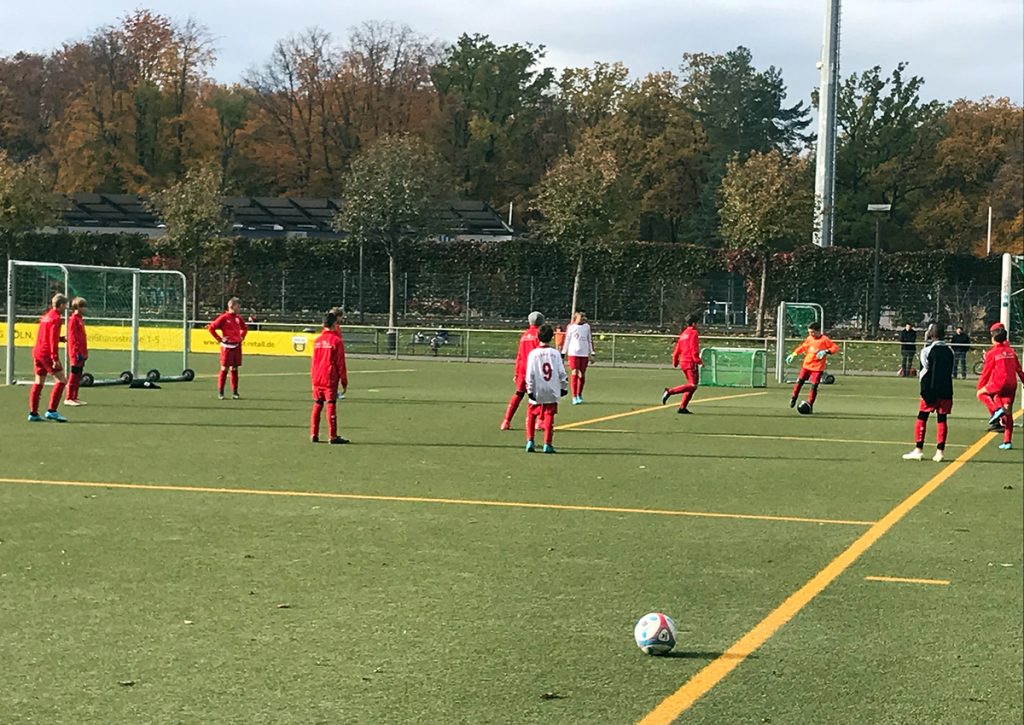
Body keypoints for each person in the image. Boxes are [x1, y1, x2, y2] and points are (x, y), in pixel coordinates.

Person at [902, 323, 955, 462]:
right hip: (946, 389)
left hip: (930, 390)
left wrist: (924, 390)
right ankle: (940, 452)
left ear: (931, 334)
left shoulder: (926, 350)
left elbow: (925, 371)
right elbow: (950, 370)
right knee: (942, 418)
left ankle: (918, 449)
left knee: (922, 417)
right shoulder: (950, 351)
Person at [977, 324, 1024, 450]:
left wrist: (980, 386)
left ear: (993, 338)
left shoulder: (992, 353)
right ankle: (1007, 441)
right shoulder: (1011, 352)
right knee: (1008, 413)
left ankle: (996, 410)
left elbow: (986, 372)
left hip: (999, 383)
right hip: (1012, 385)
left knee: (981, 394)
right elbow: (1019, 369)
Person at [524, 324, 568, 453]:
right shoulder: (555, 354)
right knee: (549, 415)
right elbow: (561, 373)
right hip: (552, 389)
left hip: (537, 388)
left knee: (531, 414)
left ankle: (530, 441)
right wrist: (564, 387)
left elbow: (530, 374)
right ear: (552, 337)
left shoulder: (533, 354)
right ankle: (547, 444)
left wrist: (530, 389)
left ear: (538, 337)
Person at [28, 293, 69, 422]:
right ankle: (52, 411)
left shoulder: (46, 316)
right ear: (61, 305)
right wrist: (54, 358)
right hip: (47, 353)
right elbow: (51, 340)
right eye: (65, 306)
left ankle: (33, 413)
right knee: (61, 380)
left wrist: (61, 339)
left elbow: (46, 335)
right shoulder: (56, 318)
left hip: (38, 352)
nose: (66, 308)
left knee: (38, 382)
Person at [500, 311, 544, 430]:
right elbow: (540, 353)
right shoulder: (539, 335)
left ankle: (506, 421)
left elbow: (519, 355)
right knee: (540, 395)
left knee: (518, 394)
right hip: (535, 369)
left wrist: (517, 372)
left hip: (523, 369)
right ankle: (539, 421)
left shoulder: (524, 336)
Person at [310, 310, 349, 444]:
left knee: (317, 404)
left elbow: (314, 360)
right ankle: (332, 435)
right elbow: (340, 363)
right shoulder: (336, 341)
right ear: (334, 324)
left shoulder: (317, 341)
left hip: (316, 376)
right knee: (331, 404)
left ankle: (314, 433)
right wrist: (344, 381)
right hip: (329, 377)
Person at [787, 321, 839, 413]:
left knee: (814, 386)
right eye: (809, 332)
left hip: (817, 368)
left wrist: (826, 351)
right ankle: (793, 398)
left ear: (818, 331)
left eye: (812, 332)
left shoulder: (824, 340)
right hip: (807, 365)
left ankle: (810, 404)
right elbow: (803, 347)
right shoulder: (810, 338)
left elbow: (835, 347)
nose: (811, 334)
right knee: (799, 382)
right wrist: (794, 353)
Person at [661, 314, 703, 414]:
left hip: (683, 361)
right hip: (690, 362)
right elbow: (694, 348)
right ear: (694, 323)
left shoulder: (684, 334)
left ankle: (682, 407)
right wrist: (698, 361)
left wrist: (675, 360)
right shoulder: (693, 333)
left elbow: (678, 348)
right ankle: (670, 391)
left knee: (692, 385)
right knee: (693, 385)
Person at [208, 297, 248, 400]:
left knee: (234, 368)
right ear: (231, 306)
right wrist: (220, 339)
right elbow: (211, 328)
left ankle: (235, 392)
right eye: (237, 306)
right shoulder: (224, 317)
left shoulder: (238, 318)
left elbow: (244, 328)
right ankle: (221, 392)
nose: (239, 308)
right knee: (224, 368)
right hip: (227, 347)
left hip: (237, 346)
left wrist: (241, 337)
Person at [562, 311, 595, 404]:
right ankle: (574, 396)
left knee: (581, 374)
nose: (583, 319)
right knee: (574, 372)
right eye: (581, 317)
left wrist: (592, 353)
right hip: (573, 353)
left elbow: (589, 340)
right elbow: (567, 339)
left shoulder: (586, 327)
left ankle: (579, 394)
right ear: (576, 318)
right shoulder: (571, 327)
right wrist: (563, 352)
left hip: (583, 353)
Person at [64, 297, 89, 406]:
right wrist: (76, 351)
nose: (85, 308)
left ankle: (74, 396)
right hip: (76, 352)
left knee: (79, 374)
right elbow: (73, 337)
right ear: (77, 307)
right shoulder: (73, 319)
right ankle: (68, 397)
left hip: (82, 351)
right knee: (74, 374)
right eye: (83, 306)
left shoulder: (80, 319)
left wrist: (85, 351)